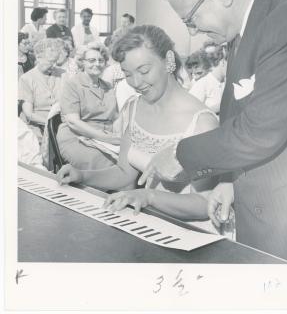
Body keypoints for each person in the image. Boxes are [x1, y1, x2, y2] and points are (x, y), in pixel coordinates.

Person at [137, 0, 287, 263]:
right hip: (258, 209)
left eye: (190, 19)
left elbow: (260, 132)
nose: (192, 33)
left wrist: (180, 154)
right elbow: (242, 114)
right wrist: (230, 182)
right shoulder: (244, 28)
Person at [57, 25, 223, 232]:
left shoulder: (202, 123)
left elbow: (204, 202)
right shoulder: (132, 108)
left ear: (169, 60)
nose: (136, 82)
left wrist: (148, 196)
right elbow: (124, 172)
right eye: (127, 74)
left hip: (190, 232)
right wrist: (82, 175)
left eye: (144, 71)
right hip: (148, 223)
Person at [56, 45, 120, 171]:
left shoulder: (108, 86)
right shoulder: (72, 84)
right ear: (82, 62)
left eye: (101, 60)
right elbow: (73, 122)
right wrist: (105, 138)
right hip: (76, 137)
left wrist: (119, 137)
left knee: (131, 157)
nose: (97, 64)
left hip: (105, 136)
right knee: (107, 163)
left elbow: (115, 118)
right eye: (91, 60)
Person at [18, 38, 65, 141]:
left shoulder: (63, 74)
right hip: (36, 127)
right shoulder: (26, 79)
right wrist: (51, 124)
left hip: (62, 126)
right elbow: (29, 114)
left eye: (56, 61)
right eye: (51, 62)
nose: (54, 66)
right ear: (38, 58)